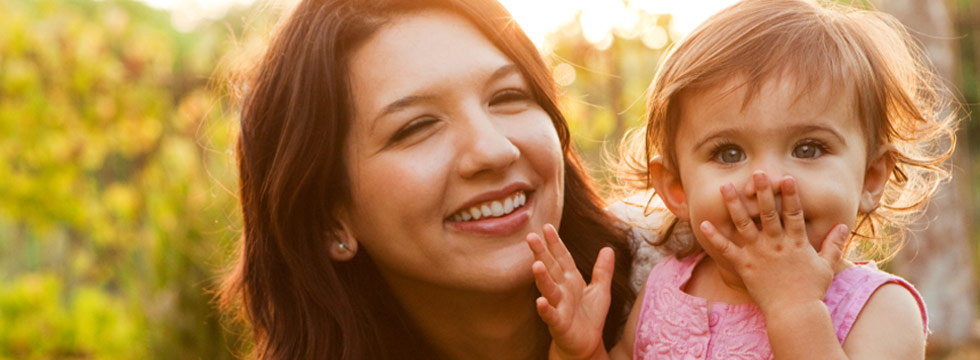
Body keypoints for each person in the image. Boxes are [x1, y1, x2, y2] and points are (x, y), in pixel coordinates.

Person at [528, 0, 957, 358]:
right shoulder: (666, 285)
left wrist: (795, 308)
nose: (765, 180)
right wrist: (580, 352)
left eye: (808, 148)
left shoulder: (880, 307)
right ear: (676, 189)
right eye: (728, 153)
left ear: (870, 177)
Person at [217, 0, 640, 358]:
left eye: (508, 96)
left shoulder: (684, 293)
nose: (493, 150)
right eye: (416, 126)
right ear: (330, 220)